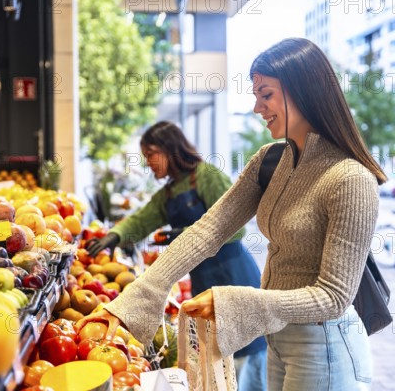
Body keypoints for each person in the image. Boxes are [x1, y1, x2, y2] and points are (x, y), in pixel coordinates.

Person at [77, 38, 386, 390]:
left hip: (327, 347)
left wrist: (233, 302)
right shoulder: (270, 161)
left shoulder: (350, 179)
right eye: (256, 95)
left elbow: (332, 298)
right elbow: (207, 230)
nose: (257, 107)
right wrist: (132, 300)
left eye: (266, 94)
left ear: (305, 90)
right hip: (278, 339)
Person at [84, 121, 267, 390]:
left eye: (150, 155)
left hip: (234, 274)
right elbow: (140, 220)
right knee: (216, 361)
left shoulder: (206, 175)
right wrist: (115, 236)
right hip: (203, 282)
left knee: (246, 356)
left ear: (170, 149)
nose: (148, 164)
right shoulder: (168, 193)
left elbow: (236, 228)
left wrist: (182, 232)